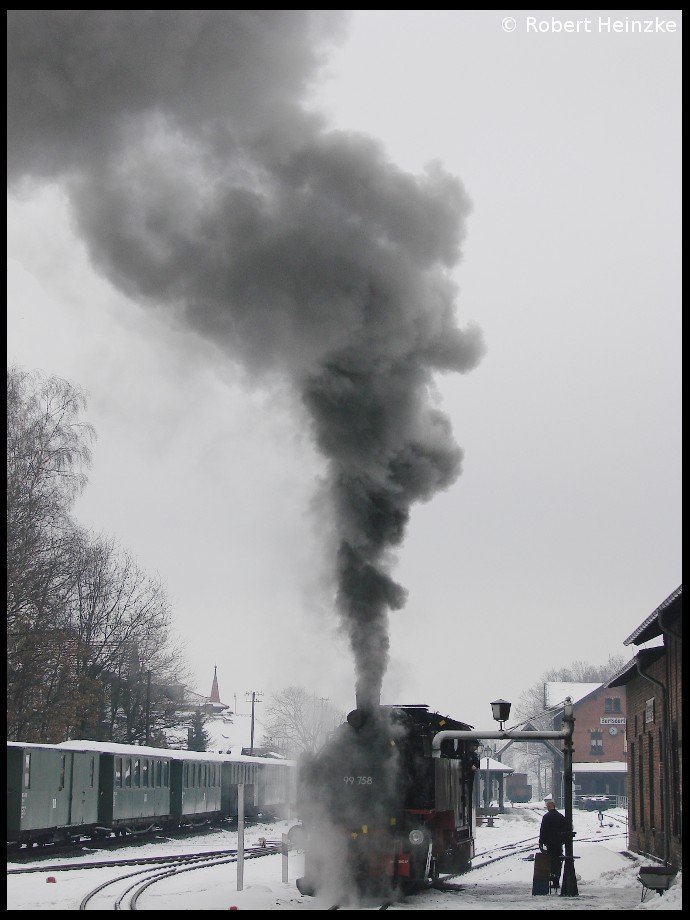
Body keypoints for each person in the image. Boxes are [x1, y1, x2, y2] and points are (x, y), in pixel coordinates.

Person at [539, 800, 568, 889]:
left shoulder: (546, 817)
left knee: (550, 861)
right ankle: (556, 880)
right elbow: (565, 829)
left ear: (548, 807)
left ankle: (551, 877)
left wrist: (541, 842)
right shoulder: (560, 816)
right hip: (558, 844)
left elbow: (543, 830)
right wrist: (563, 841)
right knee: (558, 861)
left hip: (549, 844)